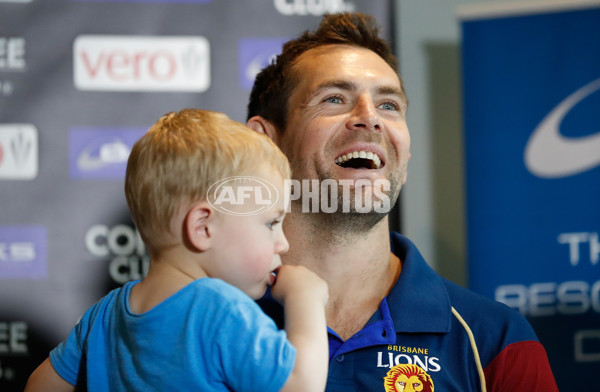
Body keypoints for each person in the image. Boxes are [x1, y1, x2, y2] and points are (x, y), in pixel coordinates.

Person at [246, 12, 559, 391]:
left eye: (389, 105)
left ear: (405, 158)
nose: (369, 118)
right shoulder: (194, 320)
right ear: (265, 144)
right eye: (334, 99)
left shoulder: (495, 339)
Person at [24, 109, 329, 391]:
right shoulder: (221, 309)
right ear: (203, 227)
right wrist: (305, 298)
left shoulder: (105, 314)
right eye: (271, 223)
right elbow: (301, 384)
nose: (283, 243)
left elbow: (39, 385)